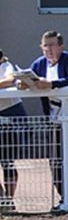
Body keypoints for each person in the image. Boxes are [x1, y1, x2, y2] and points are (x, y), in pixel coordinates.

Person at [27, 30, 68, 208]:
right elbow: (30, 76)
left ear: (61, 46)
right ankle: (65, 197)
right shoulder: (39, 63)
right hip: (54, 121)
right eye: (45, 45)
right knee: (57, 161)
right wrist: (25, 83)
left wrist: (52, 84)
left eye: (52, 45)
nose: (49, 49)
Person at [0, 49, 27, 210]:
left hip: (10, 118)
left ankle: (9, 200)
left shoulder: (6, 66)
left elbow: (10, 80)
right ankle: (1, 197)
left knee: (8, 161)